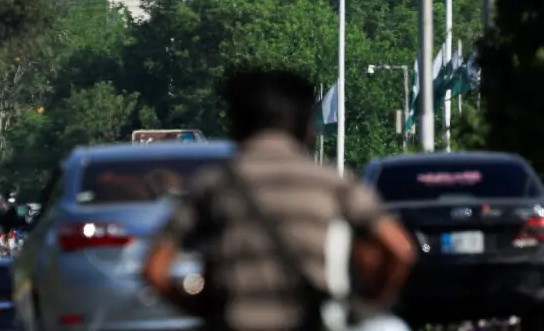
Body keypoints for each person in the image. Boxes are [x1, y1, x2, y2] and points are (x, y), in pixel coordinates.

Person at [141, 67, 417, 331]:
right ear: (306, 128)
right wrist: (368, 302)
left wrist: (200, 309)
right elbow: (400, 250)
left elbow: (155, 270)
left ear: (237, 126)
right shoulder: (332, 183)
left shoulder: (212, 185)